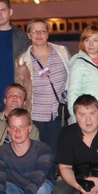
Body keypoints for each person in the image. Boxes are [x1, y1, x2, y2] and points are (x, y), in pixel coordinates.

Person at [15, 17, 71, 166]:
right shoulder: (22, 61)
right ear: (29, 35)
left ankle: (53, 180)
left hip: (60, 114)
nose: (39, 35)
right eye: (34, 31)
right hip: (36, 116)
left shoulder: (62, 52)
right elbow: (20, 90)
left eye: (42, 31)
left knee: (58, 155)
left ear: (48, 34)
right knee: (39, 156)